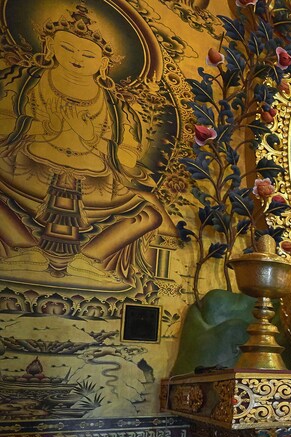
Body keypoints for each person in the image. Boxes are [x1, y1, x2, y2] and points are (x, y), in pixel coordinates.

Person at [0, 4, 169, 282]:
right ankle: (22, 246)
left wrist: (100, 146)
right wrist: (36, 127)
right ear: (50, 46)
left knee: (148, 215)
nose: (77, 57)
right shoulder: (25, 81)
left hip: (93, 185)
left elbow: (127, 153)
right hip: (28, 173)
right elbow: (5, 122)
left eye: (88, 54)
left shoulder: (115, 106)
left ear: (103, 63)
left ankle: (90, 258)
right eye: (67, 48)